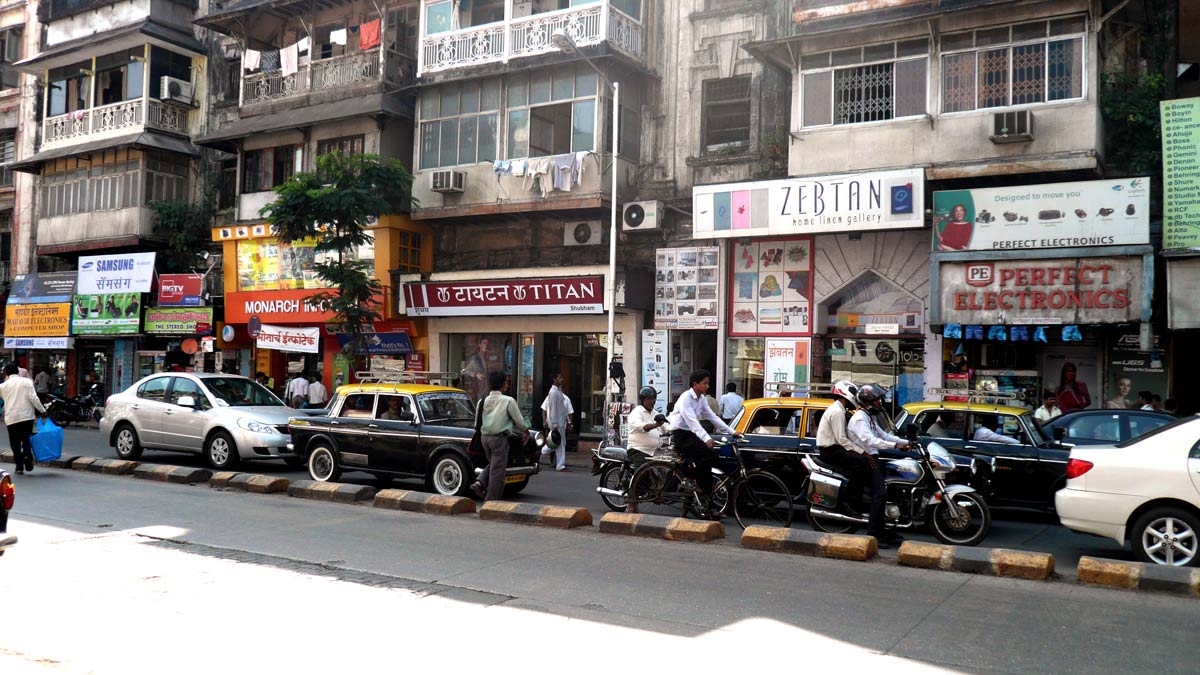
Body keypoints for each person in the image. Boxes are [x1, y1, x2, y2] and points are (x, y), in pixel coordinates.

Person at [846, 383, 910, 548]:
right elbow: (871, 441)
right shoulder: (860, 418)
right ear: (868, 402)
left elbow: (884, 435)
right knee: (879, 495)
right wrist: (896, 446)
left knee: (889, 491)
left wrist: (907, 442)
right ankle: (874, 534)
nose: (880, 403)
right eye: (877, 400)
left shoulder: (869, 417)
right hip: (866, 460)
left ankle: (884, 530)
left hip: (873, 458)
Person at [666, 369, 736, 520]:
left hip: (691, 435)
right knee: (709, 456)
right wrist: (706, 439)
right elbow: (692, 421)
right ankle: (694, 481)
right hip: (681, 435)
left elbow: (712, 416)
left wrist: (732, 431)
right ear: (695, 384)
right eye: (704, 383)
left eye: (708, 383)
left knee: (708, 465)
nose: (707, 386)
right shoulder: (686, 398)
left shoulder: (701, 399)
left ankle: (702, 494)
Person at [471, 371, 528, 501]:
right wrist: (526, 431)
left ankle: (479, 483)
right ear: (504, 385)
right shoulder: (508, 401)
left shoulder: (482, 401)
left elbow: (476, 424)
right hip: (498, 439)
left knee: (494, 464)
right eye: (506, 382)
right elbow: (519, 421)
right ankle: (491, 500)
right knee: (498, 471)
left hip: (484, 438)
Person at [1, 362, 46, 475]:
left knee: (15, 442)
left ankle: (19, 467)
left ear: (5, 373)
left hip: (11, 418)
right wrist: (42, 410)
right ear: (18, 371)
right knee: (26, 438)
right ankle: (27, 454)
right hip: (27, 416)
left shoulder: (3, 386)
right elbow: (33, 398)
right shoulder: (27, 382)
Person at [539, 372, 574, 472]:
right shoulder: (553, 393)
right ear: (554, 379)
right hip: (557, 423)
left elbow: (563, 410)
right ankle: (541, 453)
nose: (561, 379)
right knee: (557, 443)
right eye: (559, 378)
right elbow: (553, 409)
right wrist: (554, 424)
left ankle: (559, 464)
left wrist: (568, 421)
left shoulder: (558, 392)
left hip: (560, 422)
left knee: (558, 443)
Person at [627, 387, 667, 465]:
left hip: (654, 451)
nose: (651, 402)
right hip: (639, 449)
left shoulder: (654, 413)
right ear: (642, 400)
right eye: (648, 399)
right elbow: (641, 426)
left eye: (653, 399)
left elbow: (666, 426)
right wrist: (655, 425)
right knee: (643, 473)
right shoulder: (637, 412)